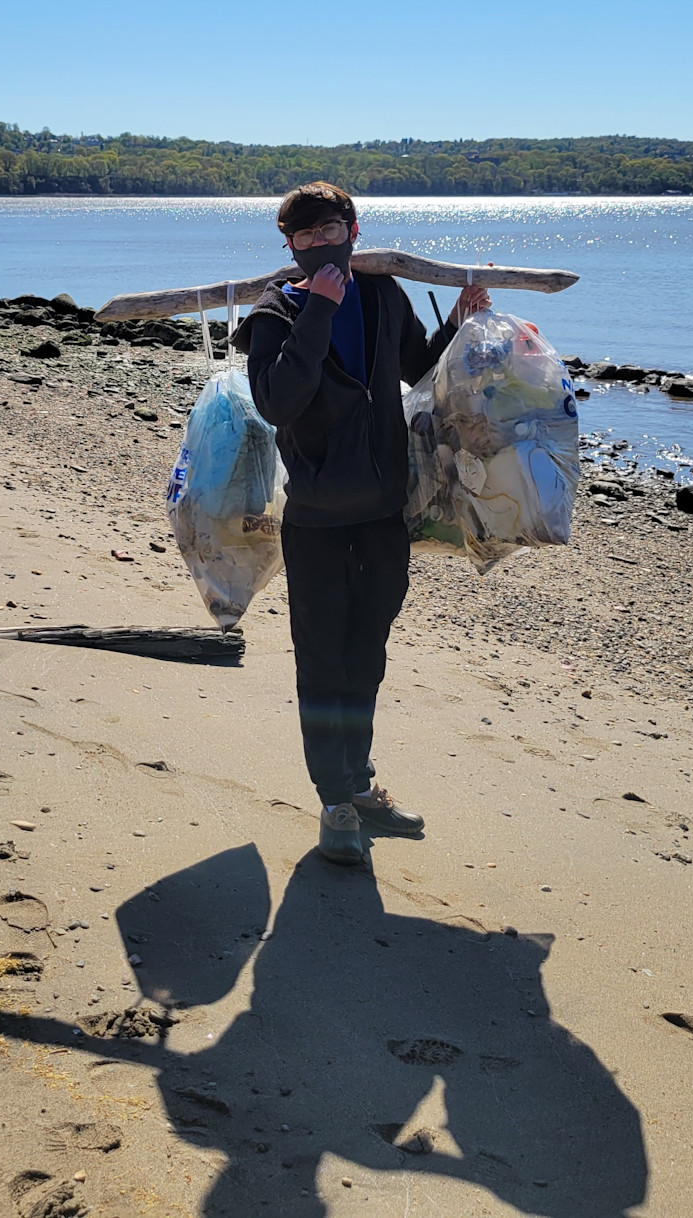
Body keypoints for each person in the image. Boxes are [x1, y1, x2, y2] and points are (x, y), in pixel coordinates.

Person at [231, 182, 490, 864]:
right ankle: (335, 803)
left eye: (331, 230)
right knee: (322, 662)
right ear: (288, 244)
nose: (320, 244)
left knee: (365, 657)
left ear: (353, 226)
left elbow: (414, 368)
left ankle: (360, 784)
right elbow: (281, 401)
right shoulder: (272, 314)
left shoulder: (381, 296)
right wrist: (316, 309)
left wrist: (459, 324)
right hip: (314, 520)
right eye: (305, 236)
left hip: (382, 514)